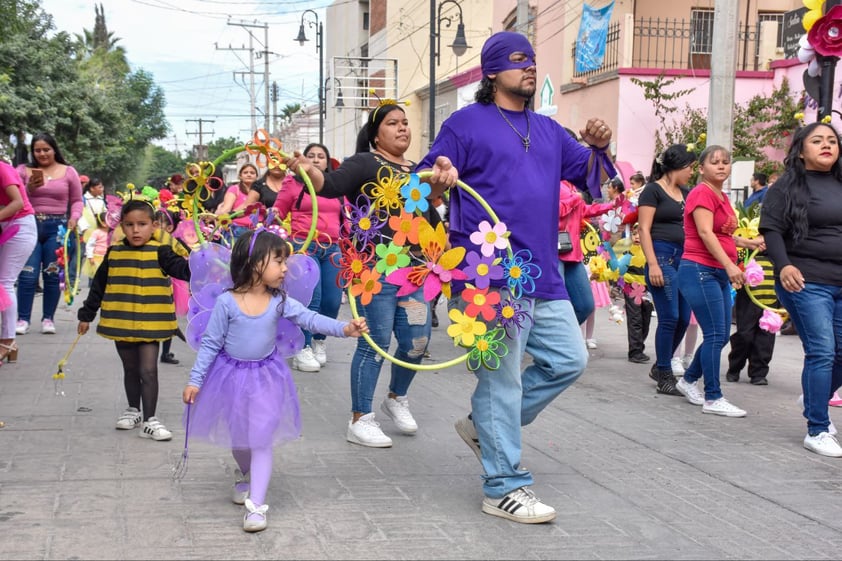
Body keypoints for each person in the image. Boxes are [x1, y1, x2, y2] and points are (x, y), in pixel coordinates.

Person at [418, 31, 603, 524]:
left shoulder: (547, 128)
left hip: (542, 273)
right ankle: (502, 486)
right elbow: (422, 180)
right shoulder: (464, 124)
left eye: (532, 60)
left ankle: (485, 427)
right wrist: (437, 175)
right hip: (486, 276)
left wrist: (598, 146)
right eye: (518, 60)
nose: (528, 67)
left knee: (569, 360)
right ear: (492, 71)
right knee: (502, 383)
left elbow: (589, 174)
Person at [287, 100, 455, 448]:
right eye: (393, 123)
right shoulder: (365, 162)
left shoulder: (417, 170)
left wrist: (439, 180)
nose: (403, 128)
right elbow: (328, 185)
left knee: (416, 343)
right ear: (376, 135)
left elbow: (427, 209)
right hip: (375, 272)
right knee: (374, 345)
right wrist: (308, 169)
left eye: (405, 123)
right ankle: (360, 418)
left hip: (414, 272)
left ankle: (396, 398)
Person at [182, 229, 368, 532]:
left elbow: (310, 318)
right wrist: (195, 380)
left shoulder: (280, 301)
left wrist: (344, 328)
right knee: (239, 436)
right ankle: (245, 474)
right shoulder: (227, 303)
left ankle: (256, 506)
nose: (285, 269)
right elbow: (211, 344)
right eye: (279, 261)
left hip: (266, 378)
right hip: (230, 377)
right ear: (255, 263)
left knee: (261, 438)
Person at [759, 122, 842, 456]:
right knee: (822, 350)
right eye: (818, 140)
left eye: (833, 140)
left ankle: (813, 397)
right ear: (801, 149)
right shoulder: (787, 187)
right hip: (806, 281)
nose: (827, 145)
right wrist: (785, 266)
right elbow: (772, 230)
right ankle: (817, 429)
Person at [77, 199, 191, 441]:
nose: (136, 230)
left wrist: (198, 260)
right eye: (129, 224)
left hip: (152, 322)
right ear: (122, 226)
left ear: (153, 226)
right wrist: (86, 315)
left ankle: (150, 419)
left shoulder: (163, 252)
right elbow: (98, 286)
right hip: (122, 320)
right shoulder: (114, 253)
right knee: (130, 368)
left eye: (142, 224)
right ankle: (133, 410)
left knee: (148, 370)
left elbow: (183, 270)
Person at [674, 145, 762, 417]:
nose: (722, 166)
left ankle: (688, 380)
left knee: (721, 335)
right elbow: (703, 232)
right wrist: (729, 265)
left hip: (716, 271)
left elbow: (723, 234)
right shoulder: (701, 193)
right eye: (715, 162)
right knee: (714, 334)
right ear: (701, 168)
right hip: (700, 269)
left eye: (726, 162)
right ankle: (713, 396)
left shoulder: (721, 196)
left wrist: (749, 241)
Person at [274, 142, 343, 373]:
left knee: (332, 302)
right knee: (311, 299)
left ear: (327, 161)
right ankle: (301, 348)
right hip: (305, 247)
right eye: (311, 155)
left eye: (320, 156)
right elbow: (278, 212)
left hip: (333, 249)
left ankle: (319, 340)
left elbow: (349, 219)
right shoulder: (292, 184)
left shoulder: (336, 187)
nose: (315, 160)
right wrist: (269, 218)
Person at [637, 144, 696, 396]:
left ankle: (659, 365)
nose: (692, 172)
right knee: (670, 317)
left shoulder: (686, 192)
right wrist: (652, 264)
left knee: (683, 318)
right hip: (661, 257)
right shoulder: (652, 191)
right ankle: (664, 374)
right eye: (690, 167)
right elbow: (643, 229)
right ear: (676, 166)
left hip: (684, 259)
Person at [15, 133, 84, 335]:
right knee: (28, 275)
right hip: (29, 225)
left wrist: (75, 217)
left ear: (54, 149)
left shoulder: (69, 171)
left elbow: (77, 200)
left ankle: (48, 318)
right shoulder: (23, 171)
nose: (42, 153)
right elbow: (14, 197)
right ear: (32, 152)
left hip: (58, 227)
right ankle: (22, 319)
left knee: (52, 275)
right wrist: (28, 188)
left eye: (46, 149)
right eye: (38, 150)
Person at [558, 180, 617, 325]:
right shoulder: (554, 181)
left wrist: (613, 205)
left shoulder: (571, 186)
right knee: (556, 304)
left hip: (573, 256)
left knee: (586, 305)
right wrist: (575, 199)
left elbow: (584, 210)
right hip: (555, 255)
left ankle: (560, 339)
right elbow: (554, 210)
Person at [0, 160, 37, 364]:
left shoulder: (2, 169)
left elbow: (17, 203)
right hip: (4, 225)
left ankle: (7, 340)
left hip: (20, 226)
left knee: (4, 282)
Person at [582, 176, 624, 348]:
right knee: (581, 303)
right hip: (578, 265)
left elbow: (602, 244)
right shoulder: (571, 225)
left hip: (594, 264)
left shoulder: (597, 225)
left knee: (590, 305)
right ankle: (580, 336)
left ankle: (588, 336)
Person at [725, 253, 777, 385]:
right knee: (745, 334)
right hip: (749, 296)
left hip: (771, 299)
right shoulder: (746, 243)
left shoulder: (778, 246)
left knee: (766, 338)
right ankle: (735, 367)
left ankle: (758, 373)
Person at [624, 223, 654, 363]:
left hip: (647, 287)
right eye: (634, 234)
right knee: (635, 318)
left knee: (645, 317)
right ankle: (635, 351)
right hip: (631, 285)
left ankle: (639, 346)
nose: (636, 237)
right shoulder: (625, 246)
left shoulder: (650, 248)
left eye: (639, 234)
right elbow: (612, 262)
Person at [216, 163, 260, 238]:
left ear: (256, 176)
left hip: (256, 230)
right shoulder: (235, 189)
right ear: (240, 176)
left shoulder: (260, 191)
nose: (249, 175)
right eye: (245, 172)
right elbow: (226, 209)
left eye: (252, 173)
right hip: (236, 230)